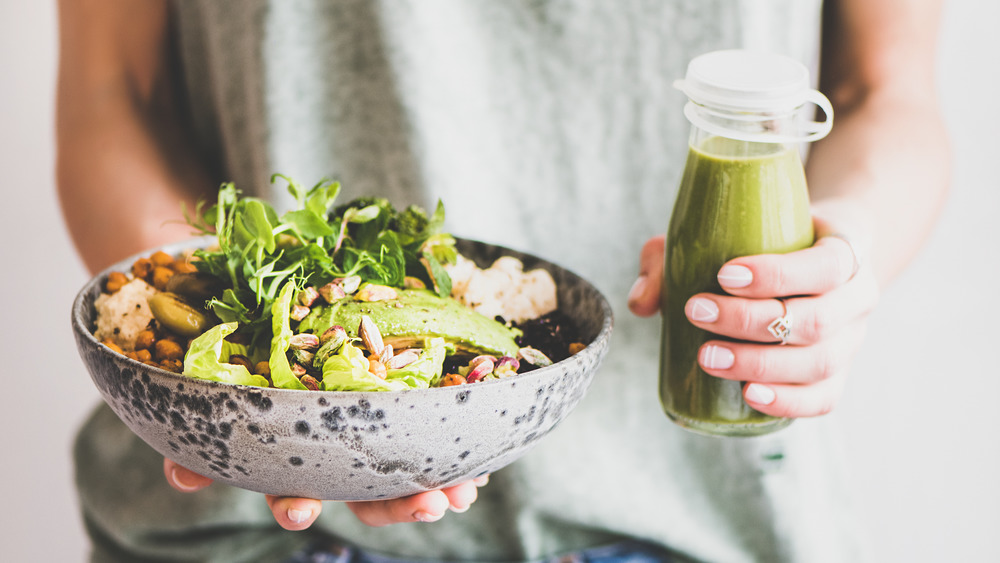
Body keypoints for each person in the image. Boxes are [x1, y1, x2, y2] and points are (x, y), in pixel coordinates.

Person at [57, 0, 949, 561]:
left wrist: (841, 256)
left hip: (698, 518)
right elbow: (111, 93)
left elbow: (886, 89)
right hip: (251, 530)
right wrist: (193, 380)